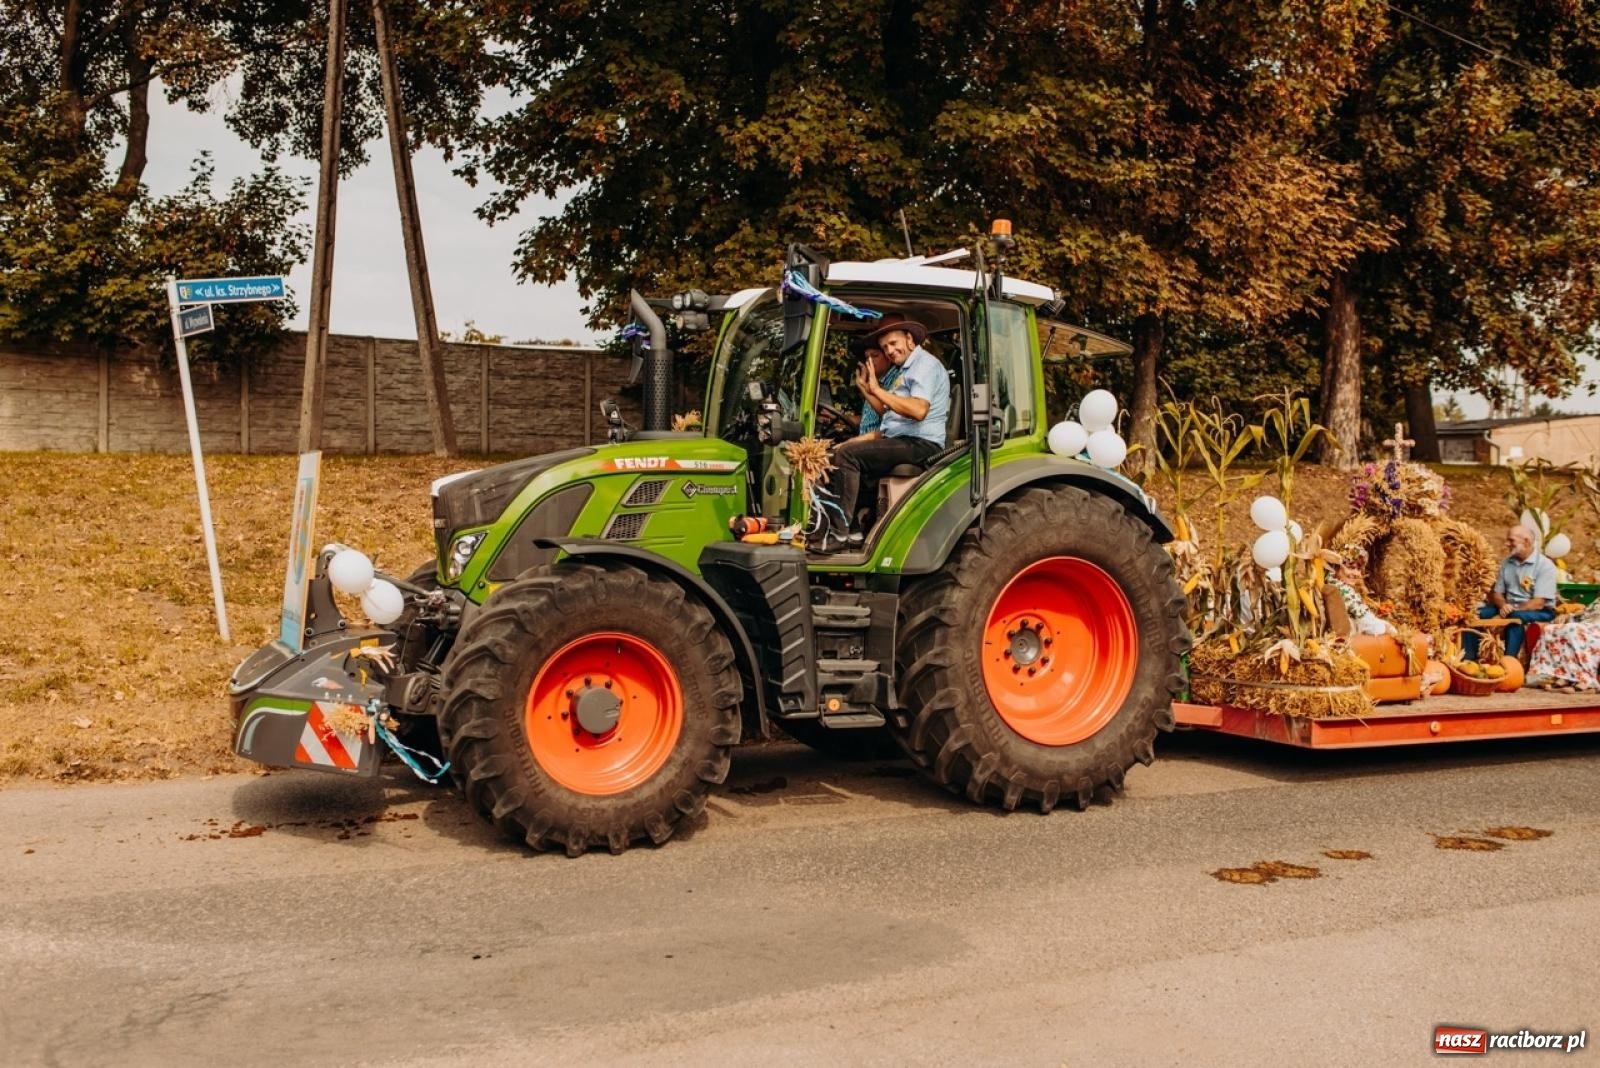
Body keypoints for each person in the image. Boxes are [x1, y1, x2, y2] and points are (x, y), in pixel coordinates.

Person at [815, 313, 949, 551]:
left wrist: (877, 389)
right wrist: (869, 390)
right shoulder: (904, 371)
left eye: (893, 344)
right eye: (885, 347)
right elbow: (887, 413)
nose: (890, 351)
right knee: (837, 453)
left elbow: (918, 410)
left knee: (848, 456)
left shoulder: (924, 366)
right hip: (900, 439)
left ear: (909, 339)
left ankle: (840, 534)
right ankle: (848, 530)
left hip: (921, 443)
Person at [1462, 524, 1557, 659]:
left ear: (1526, 541)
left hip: (1538, 611)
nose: (1507, 544)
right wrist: (1503, 606)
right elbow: (1497, 593)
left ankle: (1509, 661)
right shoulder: (1507, 563)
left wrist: (1511, 610)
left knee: (1515, 618)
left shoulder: (1545, 566)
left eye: (1511, 540)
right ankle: (1469, 659)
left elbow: (1539, 602)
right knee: (1474, 614)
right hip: (1508, 607)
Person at [1526, 600, 1600, 692]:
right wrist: (1568, 616)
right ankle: (1565, 675)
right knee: (1550, 629)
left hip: (1595, 630)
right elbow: (1585, 614)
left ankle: (1585, 680)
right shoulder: (1597, 601)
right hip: (1586, 625)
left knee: (1572, 629)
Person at [1322, 548, 1396, 637]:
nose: (1356, 573)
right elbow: (1366, 623)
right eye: (1351, 567)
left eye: (1359, 569)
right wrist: (1386, 628)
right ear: (1336, 567)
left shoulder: (1332, 584)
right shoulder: (1343, 590)